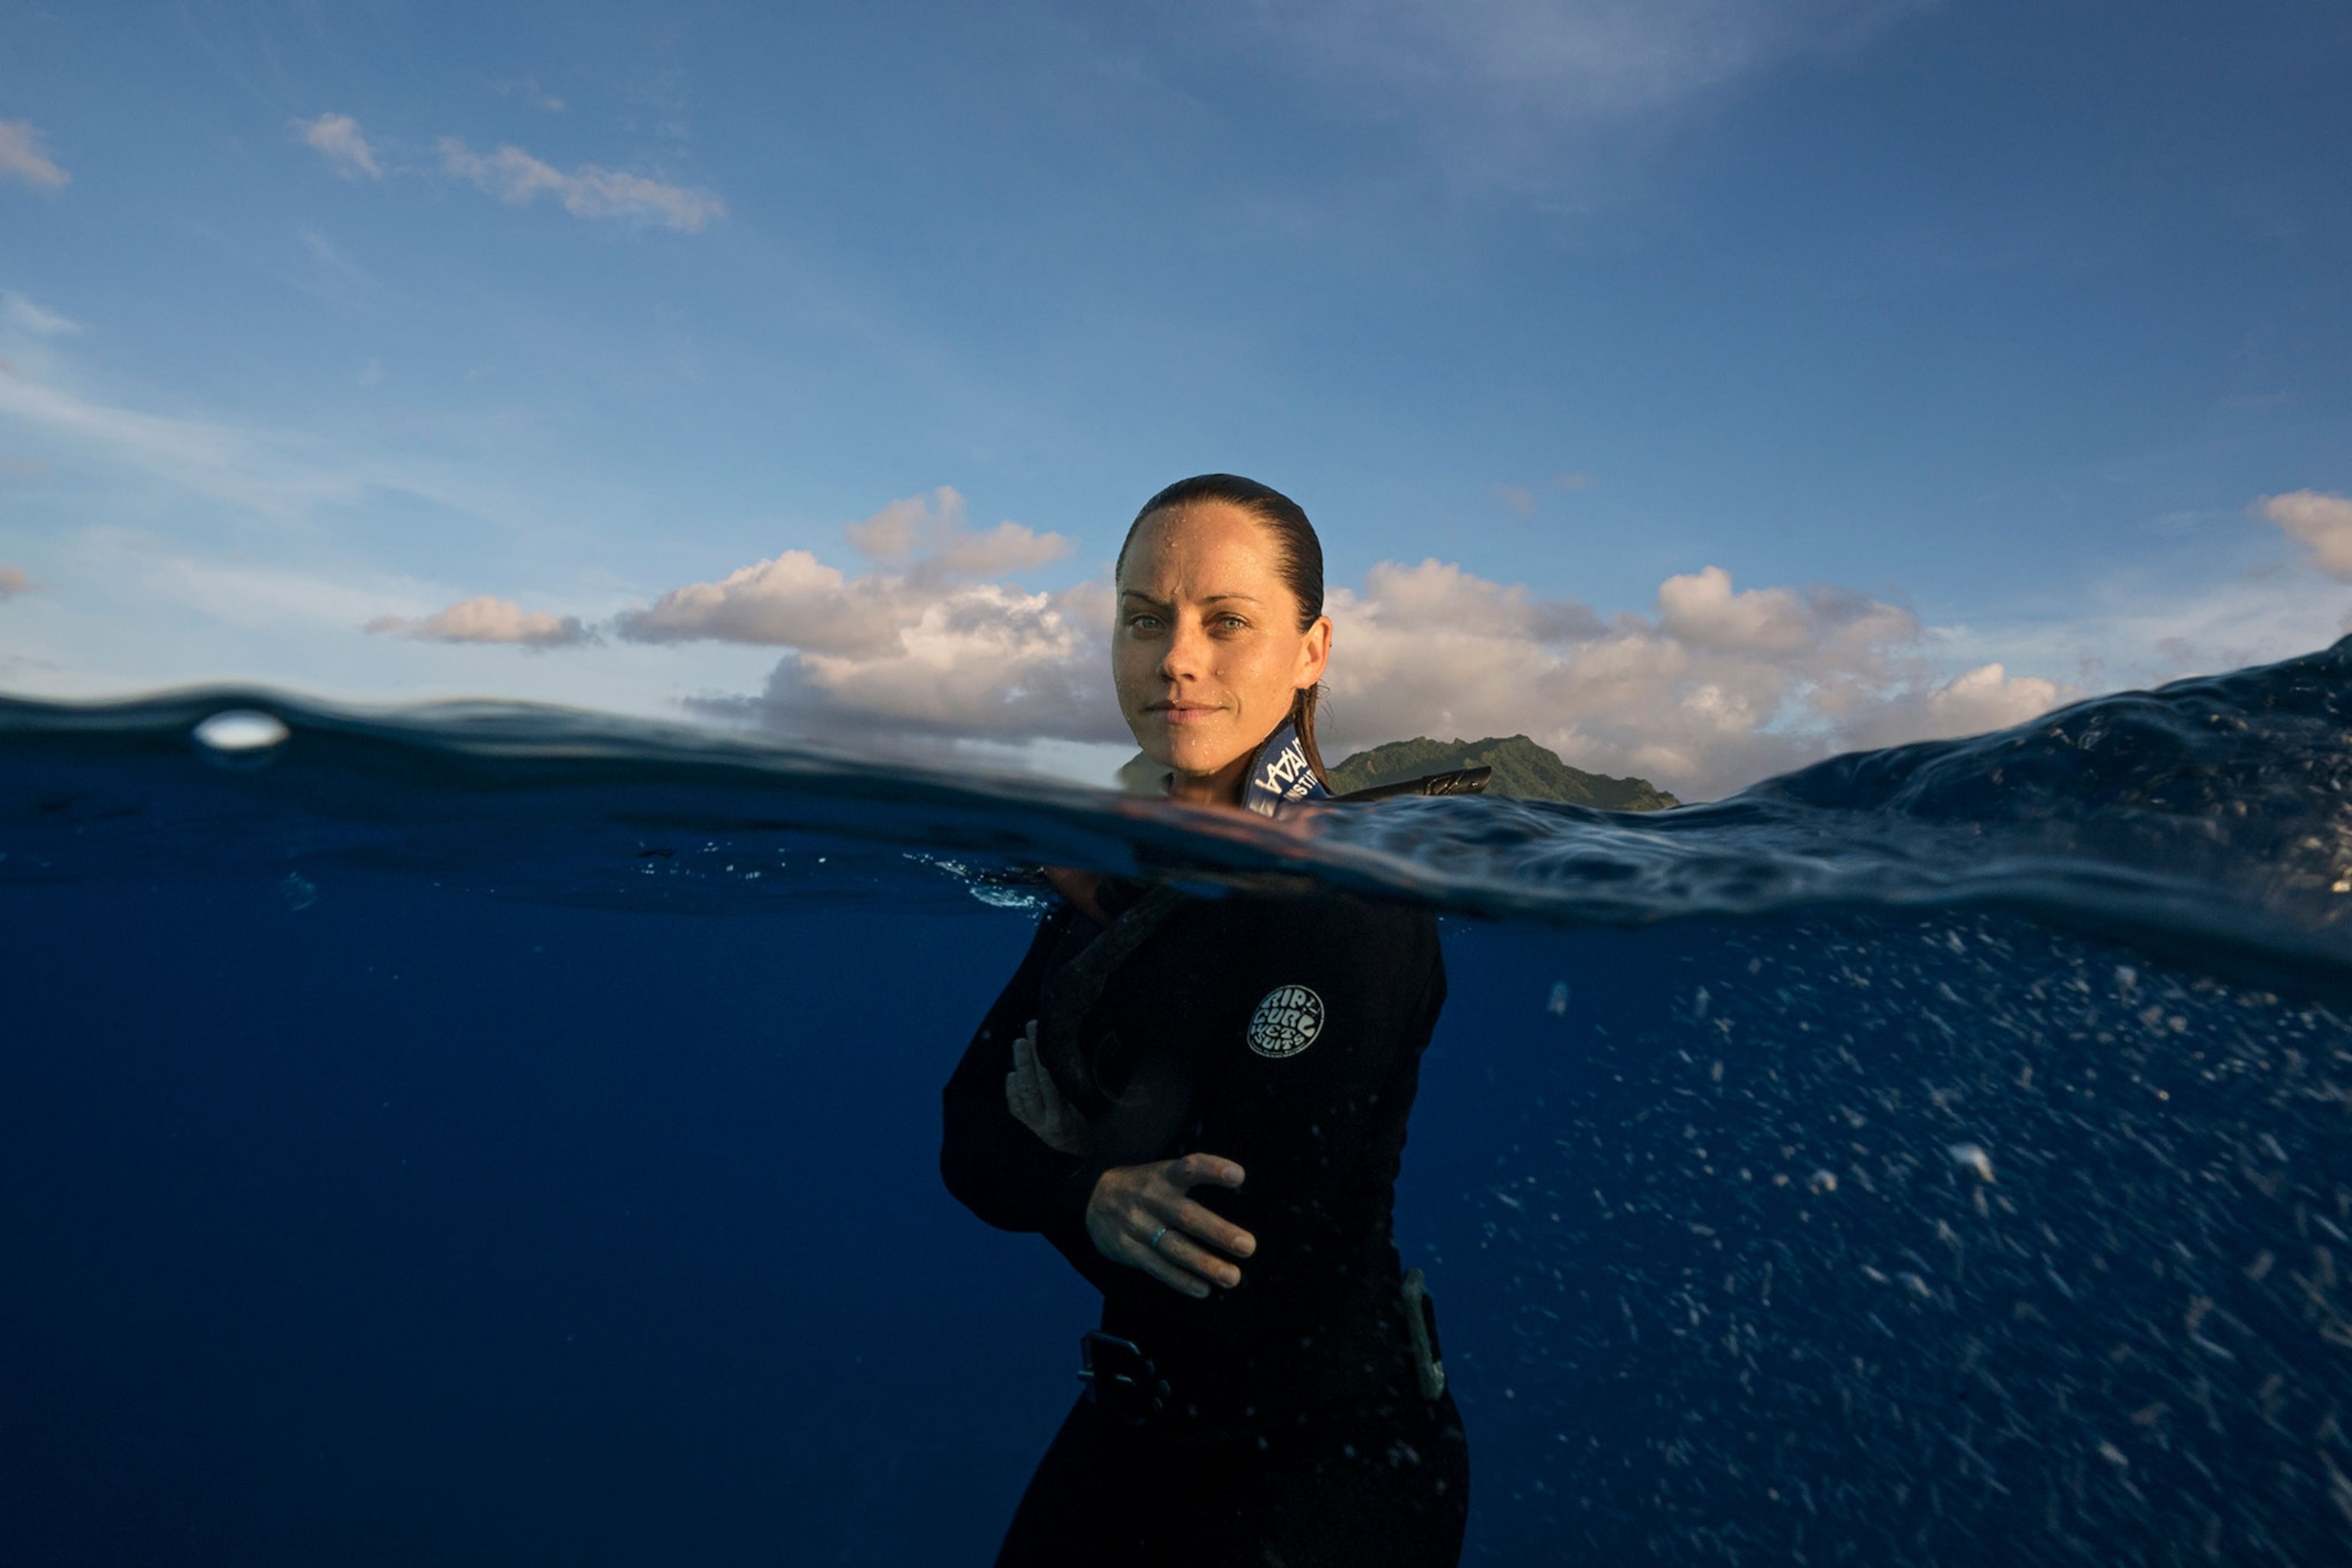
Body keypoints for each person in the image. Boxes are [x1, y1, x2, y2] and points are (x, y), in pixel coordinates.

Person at [940, 474, 1469, 1566]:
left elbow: (1240, 1266)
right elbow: (963, 1132)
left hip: (1330, 1464)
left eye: (1226, 621)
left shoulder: (1352, 907)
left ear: (1313, 650)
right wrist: (1089, 1191)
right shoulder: (1108, 889)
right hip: (1133, 1428)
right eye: (1144, 618)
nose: (1176, 657)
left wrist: (1062, 1161)